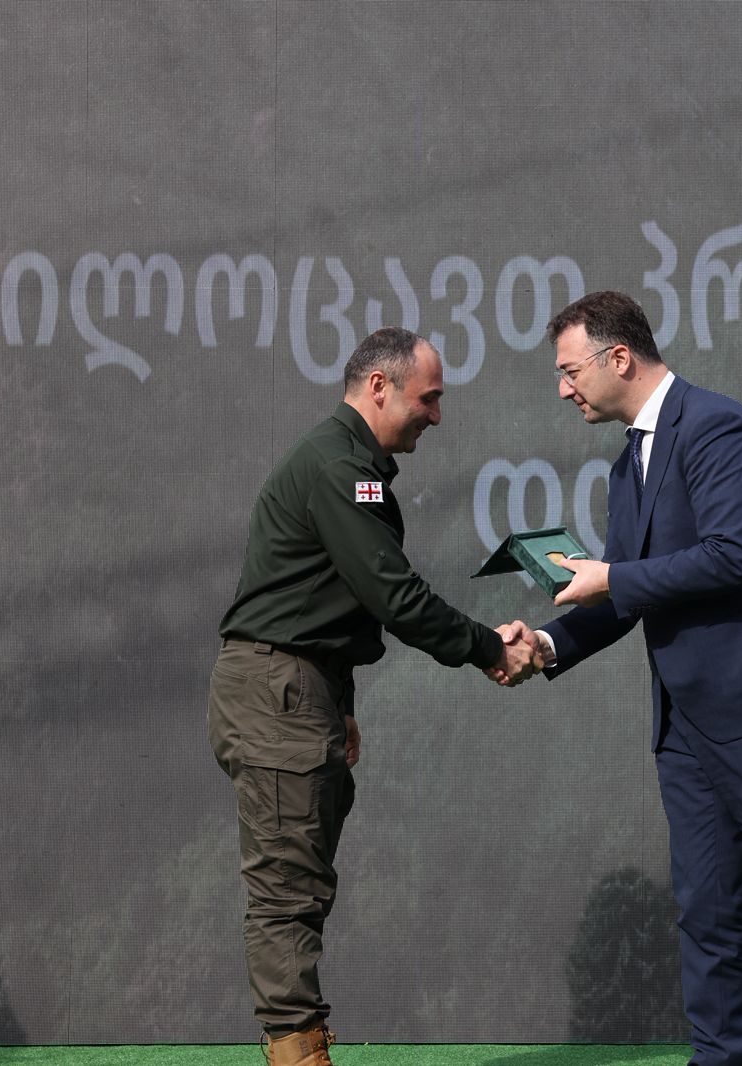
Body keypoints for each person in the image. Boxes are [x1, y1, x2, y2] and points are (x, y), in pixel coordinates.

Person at [517, 291, 742, 1066]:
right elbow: (622, 599)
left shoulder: (720, 428)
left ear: (619, 357)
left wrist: (612, 576)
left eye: (569, 370)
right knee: (707, 915)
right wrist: (545, 645)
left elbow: (728, 557)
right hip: (686, 726)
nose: (563, 388)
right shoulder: (628, 464)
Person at [207, 326, 539, 1066]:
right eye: (430, 399)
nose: (437, 416)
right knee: (288, 889)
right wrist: (491, 648)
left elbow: (325, 597)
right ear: (379, 387)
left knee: (302, 879)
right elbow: (394, 597)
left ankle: (300, 1045)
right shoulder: (340, 467)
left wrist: (341, 699)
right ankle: (299, 1054)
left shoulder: (347, 463)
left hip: (300, 687)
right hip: (279, 690)